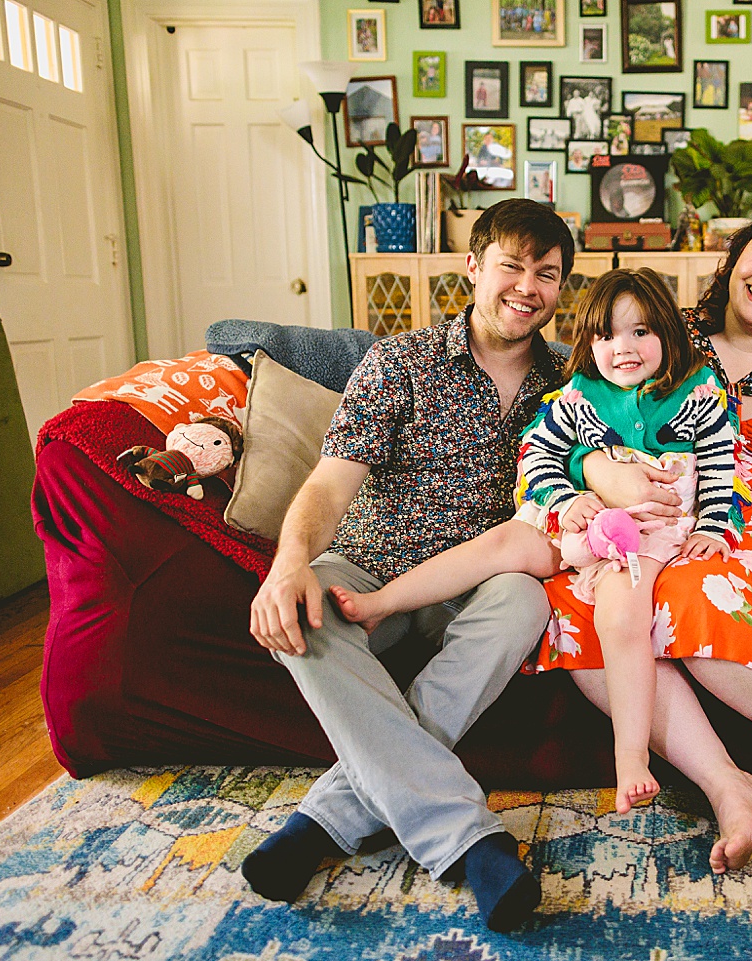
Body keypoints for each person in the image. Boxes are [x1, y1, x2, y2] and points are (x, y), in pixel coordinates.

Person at [239, 199, 575, 932]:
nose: (527, 286)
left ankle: (323, 823)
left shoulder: (573, 385)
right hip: (368, 567)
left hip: (477, 583)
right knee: (305, 605)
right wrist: (288, 562)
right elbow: (329, 482)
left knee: (526, 600)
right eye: (512, 265)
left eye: (546, 274)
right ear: (474, 267)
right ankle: (471, 839)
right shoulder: (399, 362)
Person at [528, 193, 752, 874]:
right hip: (654, 523)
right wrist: (594, 468)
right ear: (736, 256)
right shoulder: (669, 330)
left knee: (694, 589)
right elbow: (574, 408)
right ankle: (730, 784)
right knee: (574, 608)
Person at [332, 268, 743, 815]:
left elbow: (720, 465)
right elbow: (538, 453)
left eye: (641, 332)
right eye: (606, 336)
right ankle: (380, 603)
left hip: (644, 531)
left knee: (620, 617)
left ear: (669, 334)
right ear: (587, 343)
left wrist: (715, 526)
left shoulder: (697, 393)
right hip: (581, 523)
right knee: (504, 543)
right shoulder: (576, 395)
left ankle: (631, 758)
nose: (624, 348)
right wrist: (564, 500)